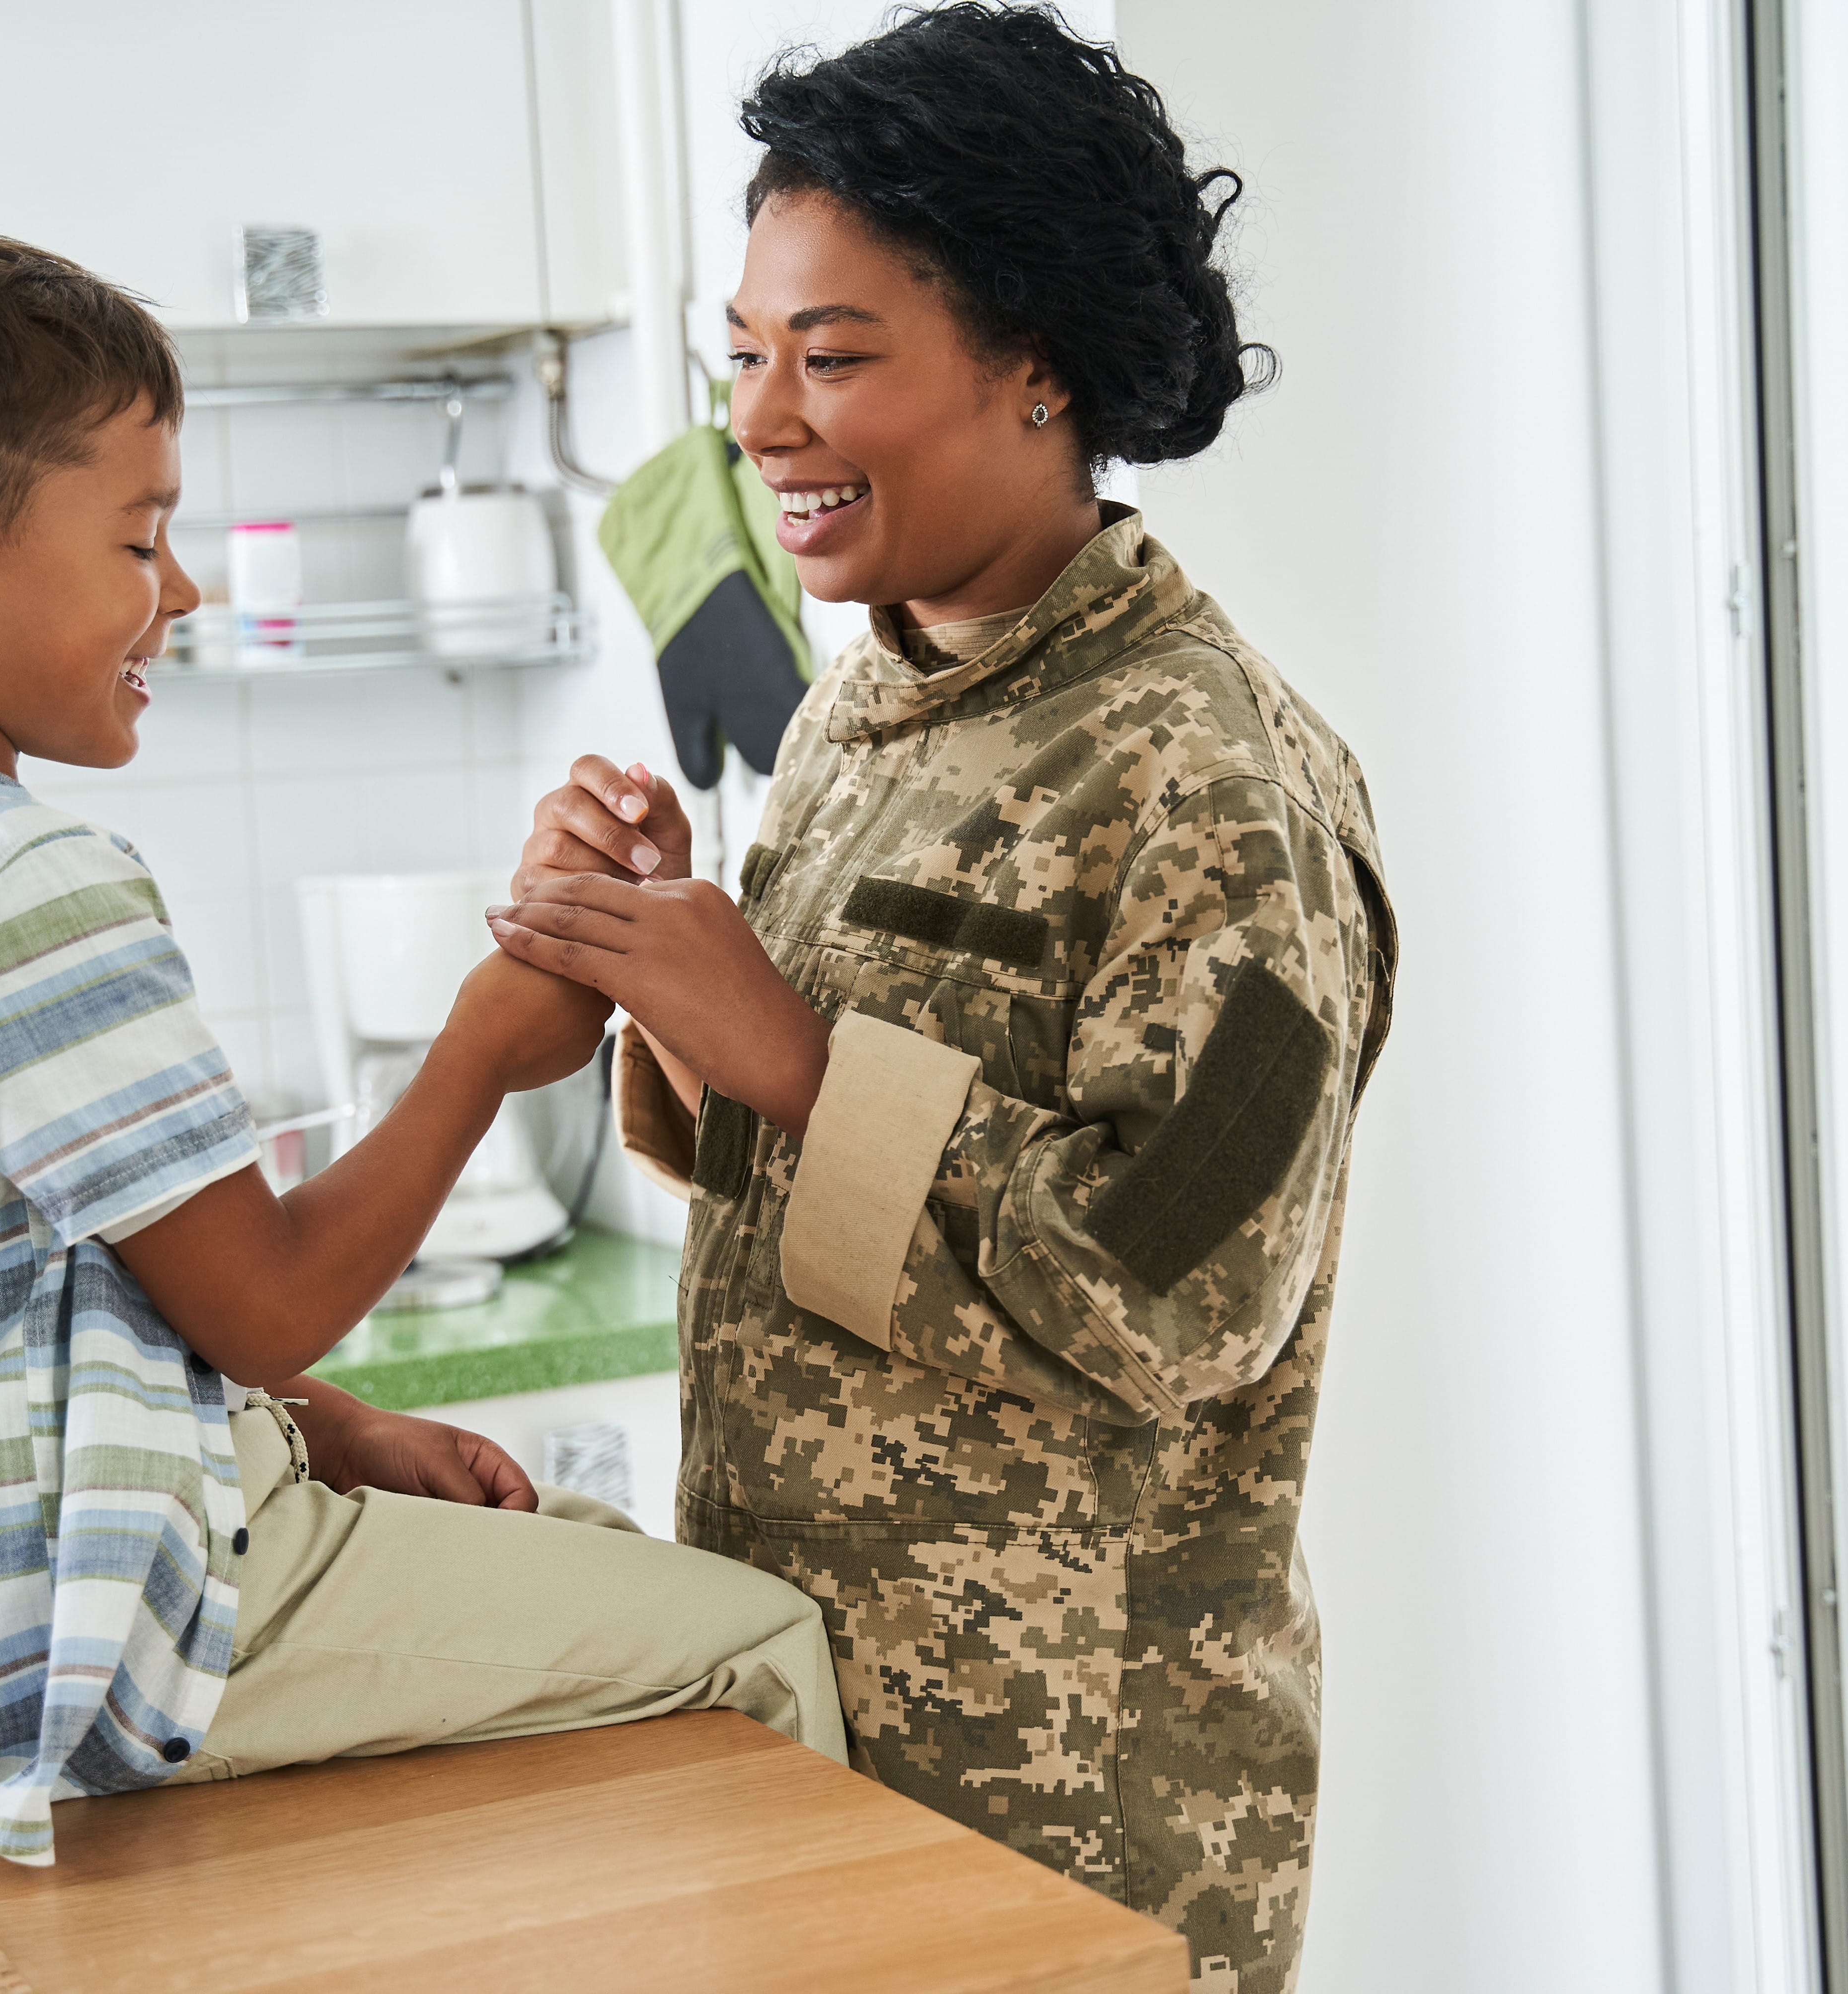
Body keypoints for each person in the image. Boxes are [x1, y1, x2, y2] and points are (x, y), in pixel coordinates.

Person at [0, 215, 843, 1864]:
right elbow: (266, 1287)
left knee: (577, 1542)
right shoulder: (7, 871)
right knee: (751, 1638)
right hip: (51, 1647)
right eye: (139, 541)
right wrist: (482, 1052)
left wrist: (310, 1427)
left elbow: (92, 1278)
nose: (184, 588)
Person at [488, 10, 1395, 1990]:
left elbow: (1188, 1303)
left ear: (1040, 361)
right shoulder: (859, 710)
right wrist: (670, 958)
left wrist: (801, 1056)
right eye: (748, 353)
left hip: (1074, 1822)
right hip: (811, 1752)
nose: (762, 419)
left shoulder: (1213, 777)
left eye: (833, 356)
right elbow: (793, 1172)